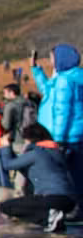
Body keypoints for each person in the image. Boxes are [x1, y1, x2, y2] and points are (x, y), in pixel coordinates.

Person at [0, 123, 78, 234]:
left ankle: (48, 218)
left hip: (51, 198)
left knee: (6, 206)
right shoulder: (56, 151)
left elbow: (7, 165)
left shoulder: (36, 153)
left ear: (30, 140)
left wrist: (5, 146)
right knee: (30, 202)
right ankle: (55, 219)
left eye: (25, 141)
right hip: (69, 201)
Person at [32, 44, 83, 193]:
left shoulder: (64, 81)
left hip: (66, 136)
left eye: (52, 58)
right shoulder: (75, 76)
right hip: (77, 132)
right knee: (78, 173)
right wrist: (36, 70)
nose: (51, 61)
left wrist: (58, 138)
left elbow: (62, 111)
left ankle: (76, 207)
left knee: (70, 175)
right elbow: (47, 91)